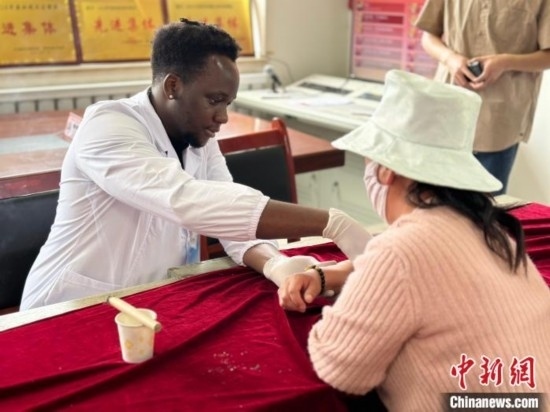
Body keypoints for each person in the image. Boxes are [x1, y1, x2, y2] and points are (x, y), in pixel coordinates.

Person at [20, 19, 370, 310]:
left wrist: (274, 263)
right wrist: (330, 222)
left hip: (149, 302)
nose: (223, 117)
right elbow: (187, 201)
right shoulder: (108, 125)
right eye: (215, 100)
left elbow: (228, 215)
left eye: (228, 103)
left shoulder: (198, 137)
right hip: (69, 307)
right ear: (173, 85)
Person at [277, 70, 550, 411]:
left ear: (386, 170)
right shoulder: (490, 229)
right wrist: (331, 274)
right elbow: (434, 278)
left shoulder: (402, 249)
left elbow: (340, 367)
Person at [414, 0, 550, 195]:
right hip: (446, 115)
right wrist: (450, 58)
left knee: (485, 208)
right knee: (433, 203)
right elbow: (428, 36)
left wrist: (505, 62)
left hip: (498, 125)